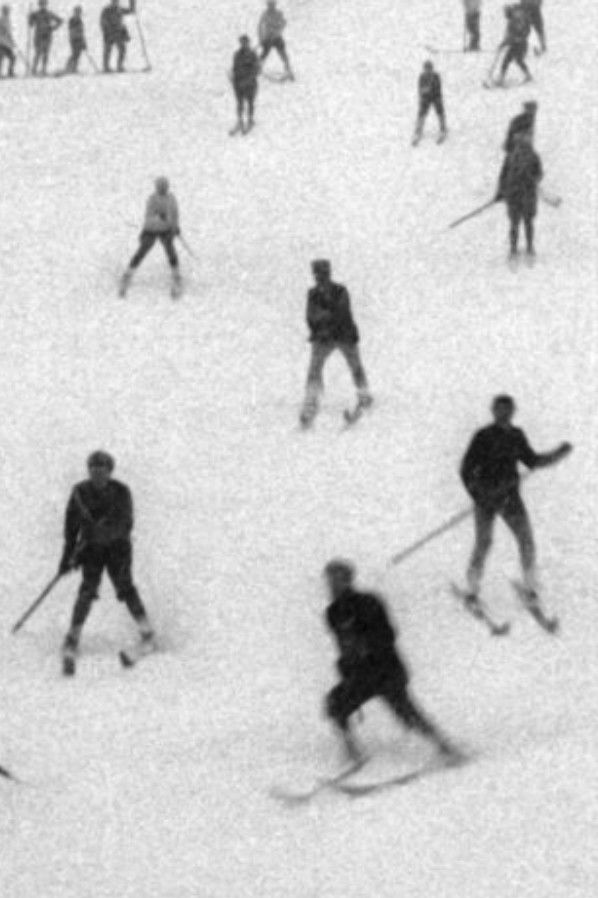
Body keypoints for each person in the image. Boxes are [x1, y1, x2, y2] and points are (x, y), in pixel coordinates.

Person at [323, 560, 460, 764]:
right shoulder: (333, 612)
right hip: (360, 675)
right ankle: (352, 751)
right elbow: (343, 645)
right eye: (329, 580)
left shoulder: (368, 602)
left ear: (348, 580)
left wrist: (366, 648)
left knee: (407, 713)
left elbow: (388, 634)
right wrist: (345, 665)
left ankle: (445, 746)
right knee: (336, 703)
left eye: (337, 579)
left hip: (386, 670)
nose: (332, 585)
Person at [460, 395, 571, 627]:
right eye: (499, 409)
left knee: (526, 539)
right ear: (493, 411)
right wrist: (477, 493)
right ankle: (472, 589)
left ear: (513, 412)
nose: (504, 414)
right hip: (485, 499)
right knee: (484, 542)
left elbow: (532, 460)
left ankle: (530, 588)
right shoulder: (483, 436)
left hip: (510, 498)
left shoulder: (516, 435)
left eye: (507, 410)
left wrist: (556, 455)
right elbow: (466, 469)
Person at [58, 451, 156, 676]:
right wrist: (67, 556)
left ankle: (146, 631)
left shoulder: (121, 492)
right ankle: (73, 636)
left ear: (110, 472)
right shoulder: (79, 493)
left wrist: (101, 532)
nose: (97, 476)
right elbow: (71, 528)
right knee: (87, 590)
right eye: (93, 471)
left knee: (125, 588)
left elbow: (126, 523)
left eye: (102, 471)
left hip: (117, 549)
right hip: (91, 551)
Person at [299, 260, 372, 428]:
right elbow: (310, 316)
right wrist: (324, 322)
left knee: (355, 365)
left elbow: (342, 313)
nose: (320, 277)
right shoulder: (313, 294)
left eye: (323, 273)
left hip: (343, 335)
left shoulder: (340, 291)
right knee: (314, 368)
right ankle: (311, 398)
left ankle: (363, 393)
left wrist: (323, 320)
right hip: (324, 337)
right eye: (318, 274)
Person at [119, 176, 182, 298]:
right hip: (151, 229)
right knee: (142, 251)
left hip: (165, 230)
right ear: (156, 187)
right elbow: (149, 215)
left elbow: (175, 214)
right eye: (160, 186)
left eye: (164, 186)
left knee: (170, 250)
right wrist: (160, 217)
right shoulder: (152, 199)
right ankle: (128, 273)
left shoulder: (171, 199)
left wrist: (175, 226)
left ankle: (176, 274)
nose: (162, 188)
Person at [497, 131, 542, 257]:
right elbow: (539, 174)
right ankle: (525, 248)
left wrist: (500, 192)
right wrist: (500, 192)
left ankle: (519, 248)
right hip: (522, 195)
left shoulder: (515, 157)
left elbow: (503, 177)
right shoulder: (530, 156)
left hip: (519, 195)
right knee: (524, 223)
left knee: (518, 223)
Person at [495, 4, 532, 87]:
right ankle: (527, 75)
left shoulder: (516, 20)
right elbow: (509, 36)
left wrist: (517, 38)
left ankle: (501, 78)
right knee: (512, 60)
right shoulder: (512, 20)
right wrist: (503, 44)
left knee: (513, 60)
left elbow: (521, 32)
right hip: (515, 44)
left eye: (506, 13)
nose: (505, 15)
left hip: (520, 44)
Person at [230, 34, 260, 135]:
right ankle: (240, 121)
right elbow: (234, 68)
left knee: (250, 103)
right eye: (242, 42)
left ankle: (250, 120)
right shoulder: (237, 54)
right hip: (238, 83)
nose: (243, 44)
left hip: (250, 84)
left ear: (248, 42)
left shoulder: (253, 55)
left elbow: (256, 70)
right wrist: (233, 79)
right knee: (239, 103)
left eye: (245, 42)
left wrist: (248, 80)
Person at [412, 60, 447, 146]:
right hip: (426, 97)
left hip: (436, 96)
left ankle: (443, 128)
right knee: (421, 113)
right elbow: (420, 88)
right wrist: (422, 95)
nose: (428, 71)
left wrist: (430, 89)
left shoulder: (436, 76)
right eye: (426, 69)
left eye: (429, 69)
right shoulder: (422, 77)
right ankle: (418, 130)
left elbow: (438, 88)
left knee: (440, 112)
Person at [258, 0, 294, 80]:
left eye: (272, 4)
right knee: (264, 53)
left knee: (283, 53)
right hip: (268, 37)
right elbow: (260, 26)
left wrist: (277, 30)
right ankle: (258, 68)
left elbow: (283, 23)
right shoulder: (265, 14)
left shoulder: (279, 13)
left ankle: (288, 69)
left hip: (277, 37)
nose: (271, 6)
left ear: (275, 5)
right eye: (269, 4)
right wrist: (261, 37)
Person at [28, 0, 62, 76]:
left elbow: (60, 20)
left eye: (44, 4)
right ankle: (34, 70)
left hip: (47, 36)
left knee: (46, 54)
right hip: (38, 36)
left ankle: (43, 70)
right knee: (38, 53)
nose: (42, 6)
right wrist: (30, 18)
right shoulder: (35, 14)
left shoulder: (49, 13)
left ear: (46, 5)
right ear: (39, 5)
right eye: (41, 4)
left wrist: (53, 27)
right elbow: (31, 24)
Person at [100, 0, 135, 73]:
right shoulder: (106, 10)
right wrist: (106, 30)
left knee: (122, 49)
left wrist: (132, 2)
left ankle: (119, 66)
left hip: (118, 33)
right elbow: (103, 22)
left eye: (117, 2)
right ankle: (106, 67)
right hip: (109, 33)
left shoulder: (119, 9)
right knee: (108, 50)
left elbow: (131, 11)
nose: (116, 3)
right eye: (114, 2)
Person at [65, 5, 86, 73]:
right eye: (77, 12)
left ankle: (74, 68)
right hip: (74, 39)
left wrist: (83, 42)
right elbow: (72, 30)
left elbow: (82, 32)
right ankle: (68, 67)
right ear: (75, 12)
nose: (78, 13)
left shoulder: (80, 20)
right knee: (74, 54)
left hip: (80, 39)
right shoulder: (72, 20)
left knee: (78, 55)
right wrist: (77, 35)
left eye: (79, 12)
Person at [0, 5, 15, 77]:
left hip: (6, 43)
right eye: (6, 10)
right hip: (1, 42)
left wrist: (11, 41)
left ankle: (10, 72)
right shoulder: (2, 20)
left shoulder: (8, 20)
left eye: (8, 11)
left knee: (13, 57)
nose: (8, 12)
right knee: (1, 57)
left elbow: (9, 32)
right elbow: (4, 31)